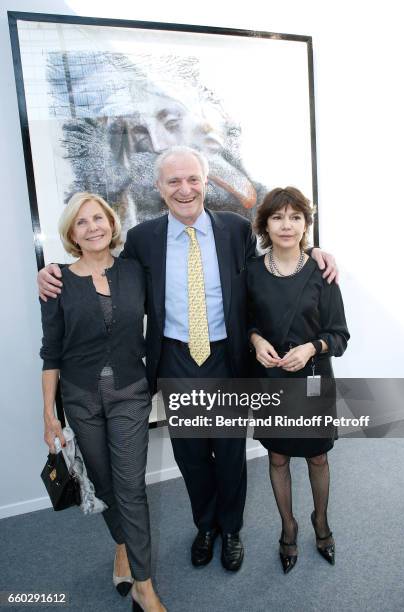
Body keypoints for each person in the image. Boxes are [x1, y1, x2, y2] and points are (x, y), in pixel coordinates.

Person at [38, 147, 338, 574]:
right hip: (176, 359)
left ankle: (231, 529)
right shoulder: (143, 240)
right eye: (174, 181)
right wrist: (51, 272)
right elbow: (102, 271)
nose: (185, 189)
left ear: (205, 182)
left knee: (230, 453)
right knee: (192, 456)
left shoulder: (235, 230)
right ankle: (206, 527)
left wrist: (317, 253)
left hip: (226, 357)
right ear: (159, 188)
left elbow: (272, 268)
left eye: (192, 179)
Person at [39, 193, 165, 612]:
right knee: (106, 484)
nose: (93, 227)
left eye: (99, 218)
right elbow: (51, 352)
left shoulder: (135, 273)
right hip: (80, 399)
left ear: (111, 224)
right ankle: (122, 545)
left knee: (130, 487)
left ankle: (144, 587)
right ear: (71, 233)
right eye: (81, 222)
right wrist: (48, 413)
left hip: (130, 392)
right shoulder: (57, 281)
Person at [247, 187, 349, 574]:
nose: (286, 225)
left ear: (306, 223)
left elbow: (339, 335)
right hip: (271, 382)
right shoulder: (252, 274)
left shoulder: (323, 273)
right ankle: (287, 528)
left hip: (312, 380)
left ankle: (320, 523)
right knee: (277, 456)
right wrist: (256, 341)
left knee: (318, 456)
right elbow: (246, 325)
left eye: (295, 217)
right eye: (277, 217)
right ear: (265, 225)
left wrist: (311, 348)